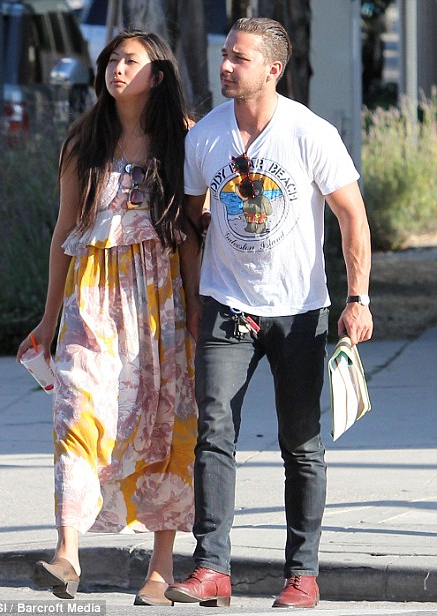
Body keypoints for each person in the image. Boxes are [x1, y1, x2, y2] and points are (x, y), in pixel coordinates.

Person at [165, 17, 373, 609]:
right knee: (213, 435)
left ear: (273, 68)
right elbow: (192, 216)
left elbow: (352, 218)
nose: (226, 66)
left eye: (240, 58)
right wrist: (196, 293)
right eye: (225, 55)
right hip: (228, 306)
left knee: (301, 444)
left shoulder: (310, 133)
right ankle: (211, 570)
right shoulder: (204, 136)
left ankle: (302, 575)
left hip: (301, 311)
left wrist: (357, 299)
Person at [17, 30, 197, 606]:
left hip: (160, 308)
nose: (117, 69)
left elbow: (193, 240)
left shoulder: (185, 141)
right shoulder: (84, 140)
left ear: (159, 74)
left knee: (165, 426)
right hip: (91, 300)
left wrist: (196, 319)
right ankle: (67, 555)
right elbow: (64, 233)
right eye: (112, 60)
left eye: (130, 60)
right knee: (76, 414)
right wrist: (48, 320)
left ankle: (161, 570)